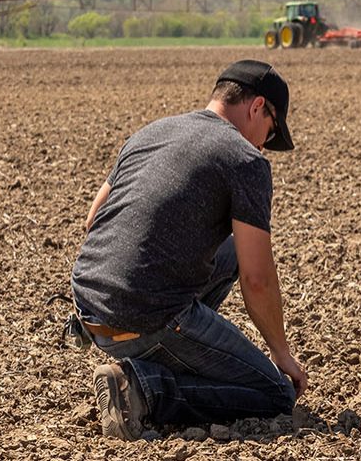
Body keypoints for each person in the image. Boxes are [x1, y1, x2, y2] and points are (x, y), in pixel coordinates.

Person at [69, 59, 310, 440]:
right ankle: (143, 389)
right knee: (274, 393)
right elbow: (257, 278)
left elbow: (92, 220)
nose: (265, 143)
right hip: (145, 316)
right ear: (257, 107)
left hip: (89, 308)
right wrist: (281, 354)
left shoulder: (152, 132)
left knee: (226, 254)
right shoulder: (245, 160)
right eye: (271, 130)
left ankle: (163, 355)